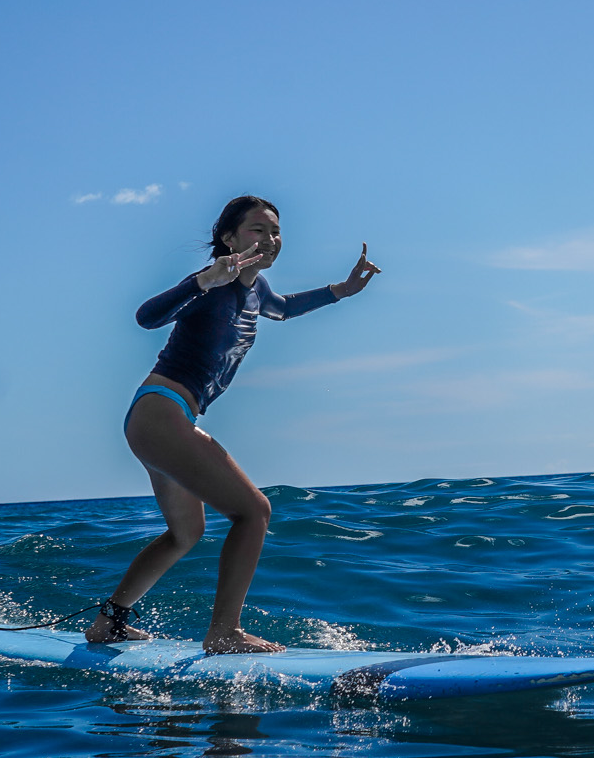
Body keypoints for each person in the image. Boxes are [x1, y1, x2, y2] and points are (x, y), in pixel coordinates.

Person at [87, 195, 380, 653]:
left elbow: (282, 307)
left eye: (275, 231)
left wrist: (341, 290)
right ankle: (224, 632)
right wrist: (204, 281)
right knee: (254, 511)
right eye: (257, 230)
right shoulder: (213, 285)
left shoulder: (256, 290)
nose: (270, 239)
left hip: (169, 417)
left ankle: (111, 622)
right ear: (229, 238)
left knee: (187, 533)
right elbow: (146, 318)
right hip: (160, 411)